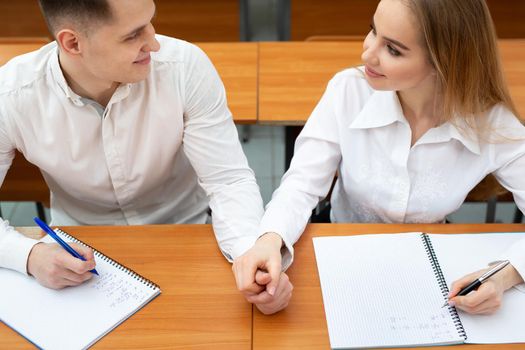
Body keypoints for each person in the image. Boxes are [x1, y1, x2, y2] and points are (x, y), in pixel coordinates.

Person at [233, 0, 525, 315]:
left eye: (393, 50)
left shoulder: (492, 122)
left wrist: (504, 275)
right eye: (373, 30)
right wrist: (269, 239)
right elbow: (302, 185)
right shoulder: (349, 90)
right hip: (338, 249)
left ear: (445, 61)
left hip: (433, 267)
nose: (367, 53)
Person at [0, 0, 263, 289]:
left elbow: (228, 180)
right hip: (78, 250)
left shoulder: (184, 67)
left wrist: (249, 255)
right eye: (133, 35)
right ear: (73, 43)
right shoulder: (12, 96)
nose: (154, 43)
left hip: (186, 232)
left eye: (150, 23)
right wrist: (29, 255)